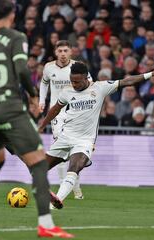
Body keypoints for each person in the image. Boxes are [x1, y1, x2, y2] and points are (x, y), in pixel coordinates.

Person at [0, 0, 73, 238]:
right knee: (39, 162)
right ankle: (46, 225)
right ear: (12, 15)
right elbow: (21, 68)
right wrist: (32, 95)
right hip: (9, 107)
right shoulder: (16, 37)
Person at [38, 61, 154, 209]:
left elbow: (127, 81)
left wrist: (150, 74)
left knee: (74, 167)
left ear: (86, 78)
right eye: (72, 81)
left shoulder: (100, 87)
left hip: (84, 140)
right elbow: (55, 109)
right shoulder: (67, 91)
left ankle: (56, 202)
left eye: (77, 81)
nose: (74, 84)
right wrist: (42, 125)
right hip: (65, 137)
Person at [39, 40, 87, 200]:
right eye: (60, 51)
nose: (63, 54)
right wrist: (41, 101)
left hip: (76, 111)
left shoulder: (78, 68)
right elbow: (44, 83)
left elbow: (91, 84)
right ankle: (63, 184)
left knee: (73, 151)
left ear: (71, 52)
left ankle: (76, 186)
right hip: (57, 113)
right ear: (55, 52)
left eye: (66, 50)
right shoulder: (48, 68)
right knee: (60, 147)